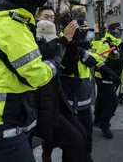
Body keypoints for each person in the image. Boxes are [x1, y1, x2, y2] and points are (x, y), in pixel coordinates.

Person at [0, 0, 63, 162]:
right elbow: (36, 75)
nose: (34, 8)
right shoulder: (11, 26)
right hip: (3, 118)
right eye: (31, 3)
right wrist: (56, 61)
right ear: (19, 3)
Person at [61, 18, 116, 162]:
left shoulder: (82, 45)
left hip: (84, 97)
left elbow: (94, 57)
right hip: (69, 99)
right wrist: (74, 48)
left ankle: (87, 155)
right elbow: (66, 68)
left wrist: (106, 69)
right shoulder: (62, 45)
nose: (86, 33)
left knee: (87, 131)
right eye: (83, 29)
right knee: (71, 137)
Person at [35, 20, 90, 162]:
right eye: (46, 15)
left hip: (58, 100)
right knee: (73, 140)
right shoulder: (38, 43)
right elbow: (45, 54)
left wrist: (72, 45)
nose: (49, 18)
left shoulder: (60, 43)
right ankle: (46, 153)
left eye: (52, 16)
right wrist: (65, 41)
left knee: (82, 133)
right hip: (42, 105)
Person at [92, 22, 123, 139]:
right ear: (111, 31)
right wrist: (109, 73)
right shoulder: (105, 44)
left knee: (101, 99)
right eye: (119, 30)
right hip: (103, 77)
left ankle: (97, 120)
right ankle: (104, 124)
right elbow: (97, 61)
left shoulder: (120, 44)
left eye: (122, 31)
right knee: (112, 102)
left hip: (114, 76)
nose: (121, 33)